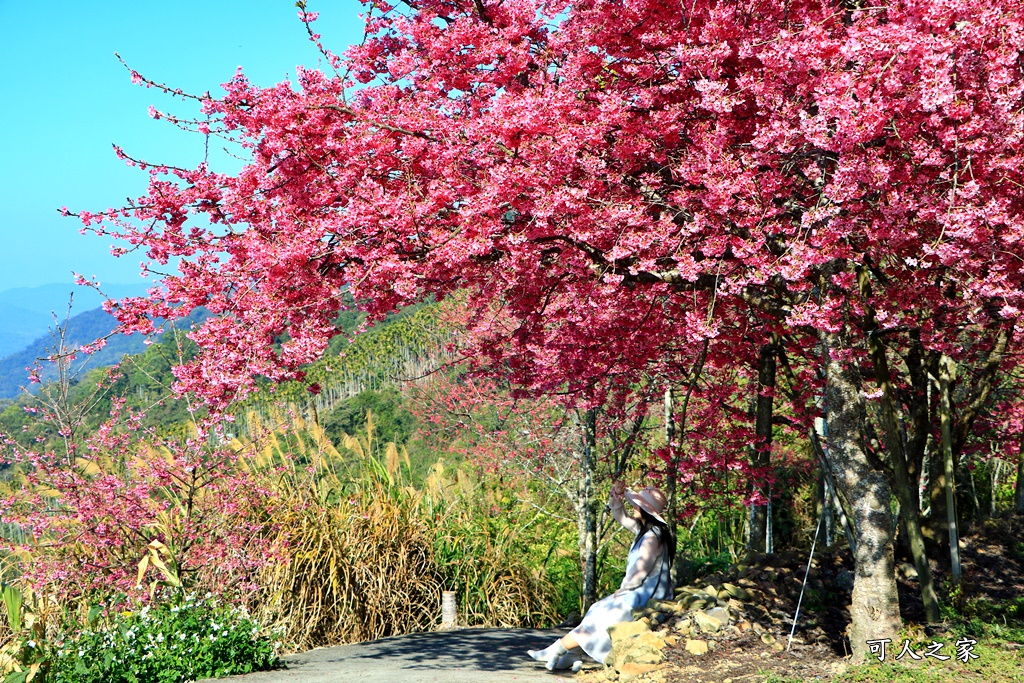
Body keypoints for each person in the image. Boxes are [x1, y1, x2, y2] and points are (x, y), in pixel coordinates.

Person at [527, 482, 675, 671]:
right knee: (597, 608)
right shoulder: (645, 530)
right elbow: (622, 518)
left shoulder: (652, 537)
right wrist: (617, 497)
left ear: (646, 510)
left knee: (603, 616)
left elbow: (639, 571)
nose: (634, 507)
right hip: (641, 590)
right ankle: (573, 654)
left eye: (637, 505)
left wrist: (623, 590)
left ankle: (557, 649)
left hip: (646, 593)